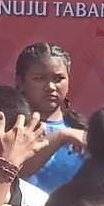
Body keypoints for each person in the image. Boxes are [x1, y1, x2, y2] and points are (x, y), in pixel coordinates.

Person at [14, 43, 87, 193]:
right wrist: (61, 136)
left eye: (59, 78)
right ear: (20, 82)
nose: (51, 87)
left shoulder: (82, 130)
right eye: (40, 78)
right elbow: (16, 171)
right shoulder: (12, 128)